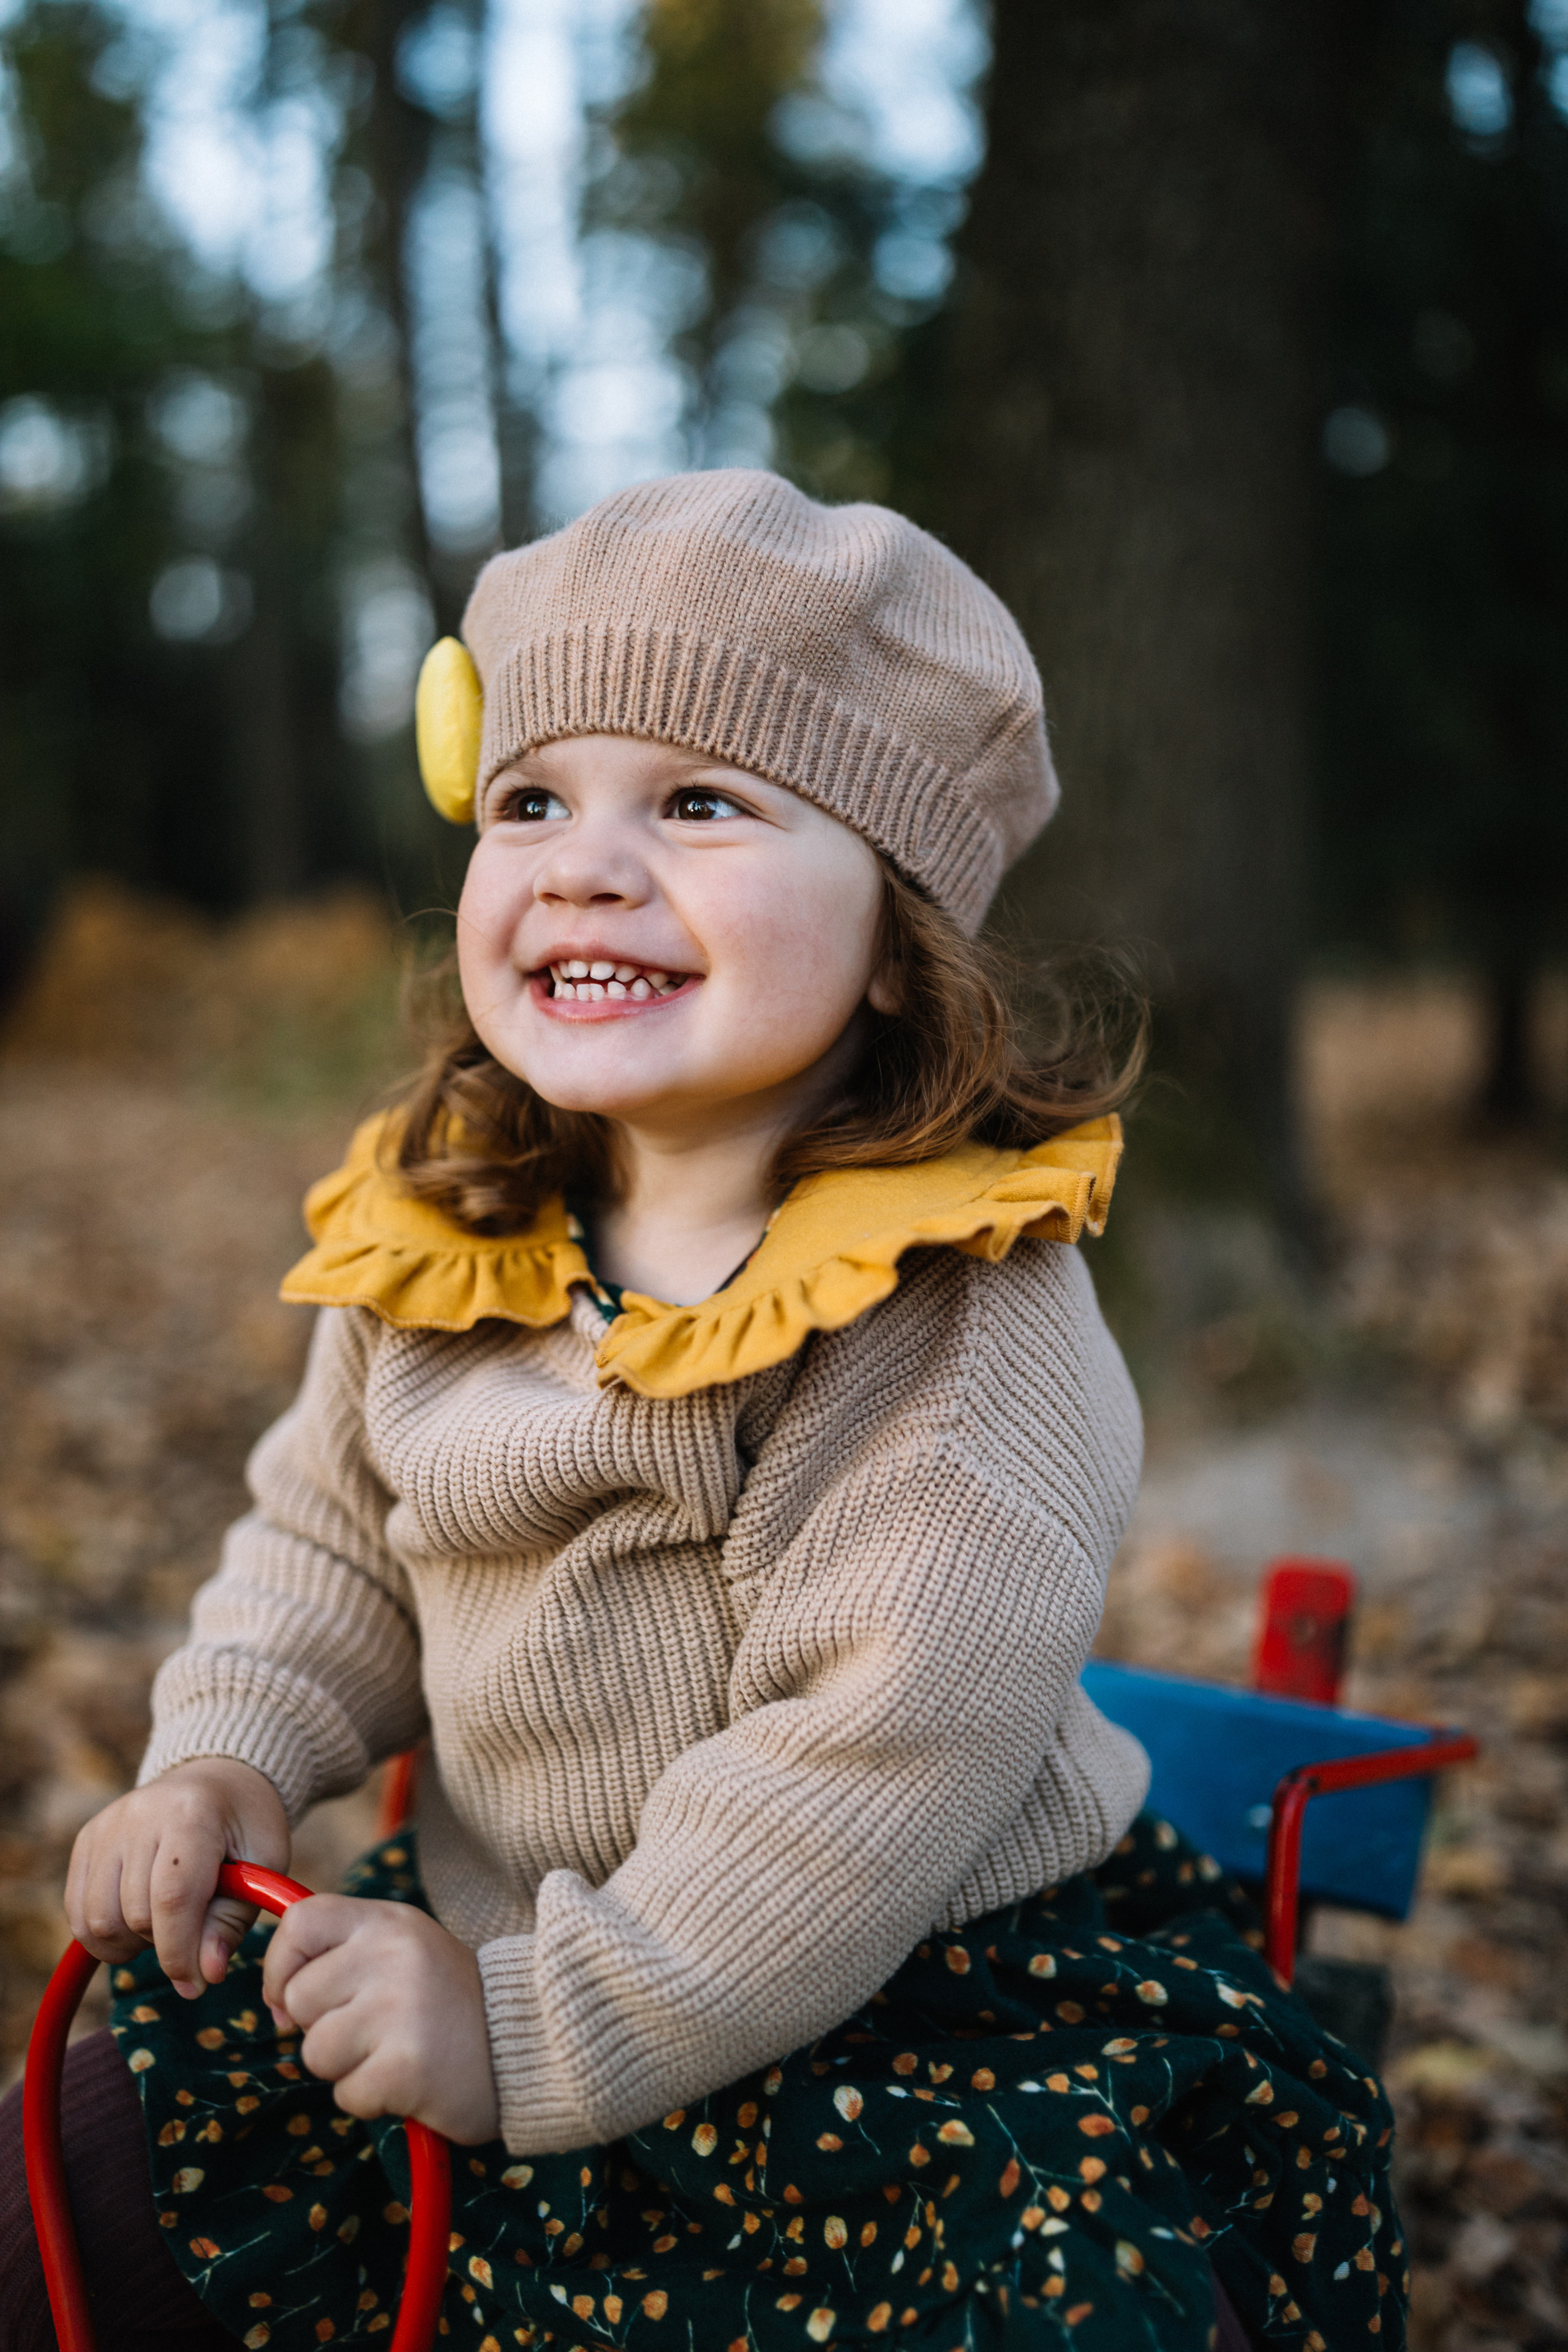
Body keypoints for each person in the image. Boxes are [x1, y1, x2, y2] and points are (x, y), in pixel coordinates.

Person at [0, 472, 1406, 2352]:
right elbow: (332, 1546)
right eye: (530, 800)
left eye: (698, 802)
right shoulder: (450, 1224)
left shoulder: (952, 1321)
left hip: (886, 1995)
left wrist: (520, 2028)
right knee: (77, 2173)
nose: (583, 862)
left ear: (899, 932)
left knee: (1056, 2306)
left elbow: (863, 1768)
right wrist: (227, 1755)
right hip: (496, 1941)